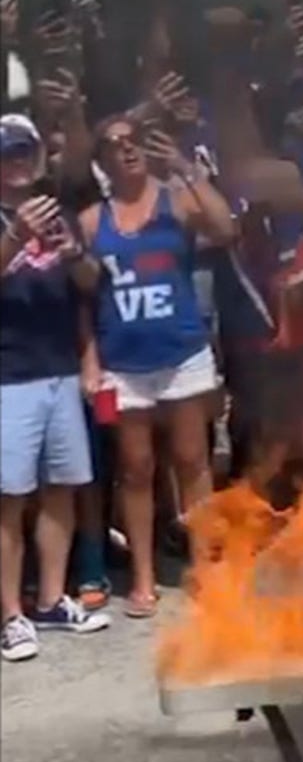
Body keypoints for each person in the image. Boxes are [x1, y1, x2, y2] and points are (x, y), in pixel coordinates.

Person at [77, 112, 237, 619]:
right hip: (123, 362)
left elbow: (227, 229)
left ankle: (207, 567)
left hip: (183, 350)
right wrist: (89, 362)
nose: (127, 149)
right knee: (136, 469)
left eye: (135, 140)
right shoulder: (90, 221)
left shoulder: (178, 199)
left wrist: (187, 170)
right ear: (101, 159)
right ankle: (143, 576)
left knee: (192, 461)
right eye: (114, 143)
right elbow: (84, 298)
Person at [0, 114, 109, 661]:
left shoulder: (61, 215)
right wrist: (15, 234)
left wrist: (71, 252)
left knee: (62, 489)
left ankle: (50, 599)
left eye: (23, 153)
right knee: (10, 500)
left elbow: (89, 287)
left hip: (61, 370)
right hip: (8, 377)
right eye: (6, 156)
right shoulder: (9, 221)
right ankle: (10, 616)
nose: (16, 163)